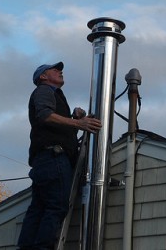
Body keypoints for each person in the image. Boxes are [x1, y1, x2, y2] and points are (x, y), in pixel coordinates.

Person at [17, 61, 102, 250]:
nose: (60, 71)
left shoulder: (54, 95)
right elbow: (44, 116)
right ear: (43, 77)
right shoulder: (44, 91)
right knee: (57, 205)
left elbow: (56, 127)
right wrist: (79, 124)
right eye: (54, 69)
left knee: (38, 209)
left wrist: (74, 119)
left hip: (45, 159)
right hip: (53, 157)